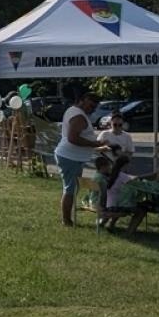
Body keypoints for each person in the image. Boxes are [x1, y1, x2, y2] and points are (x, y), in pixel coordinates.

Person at [54, 87, 102, 226]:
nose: (92, 109)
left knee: (71, 188)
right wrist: (94, 144)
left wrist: (96, 145)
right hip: (70, 157)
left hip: (72, 156)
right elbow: (73, 138)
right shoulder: (79, 116)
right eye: (90, 105)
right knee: (70, 189)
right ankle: (66, 220)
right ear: (81, 101)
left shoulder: (73, 110)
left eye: (95, 107)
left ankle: (67, 218)